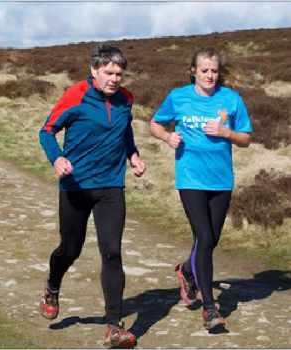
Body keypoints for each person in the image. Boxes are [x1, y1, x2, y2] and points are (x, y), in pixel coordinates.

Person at [38, 44, 145, 348]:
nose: (114, 79)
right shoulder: (76, 95)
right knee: (69, 249)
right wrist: (57, 158)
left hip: (111, 186)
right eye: (109, 73)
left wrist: (133, 156)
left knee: (112, 251)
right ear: (95, 71)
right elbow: (46, 131)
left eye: (119, 74)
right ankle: (53, 284)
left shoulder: (126, 99)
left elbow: (124, 132)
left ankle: (114, 326)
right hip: (76, 186)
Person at [150, 47, 253, 330]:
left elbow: (246, 138)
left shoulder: (231, 99)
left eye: (214, 71)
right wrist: (168, 136)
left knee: (210, 240)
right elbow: (155, 124)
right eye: (204, 70)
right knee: (205, 237)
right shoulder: (178, 97)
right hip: (190, 179)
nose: (210, 75)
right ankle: (209, 308)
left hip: (221, 180)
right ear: (193, 70)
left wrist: (226, 133)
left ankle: (186, 270)